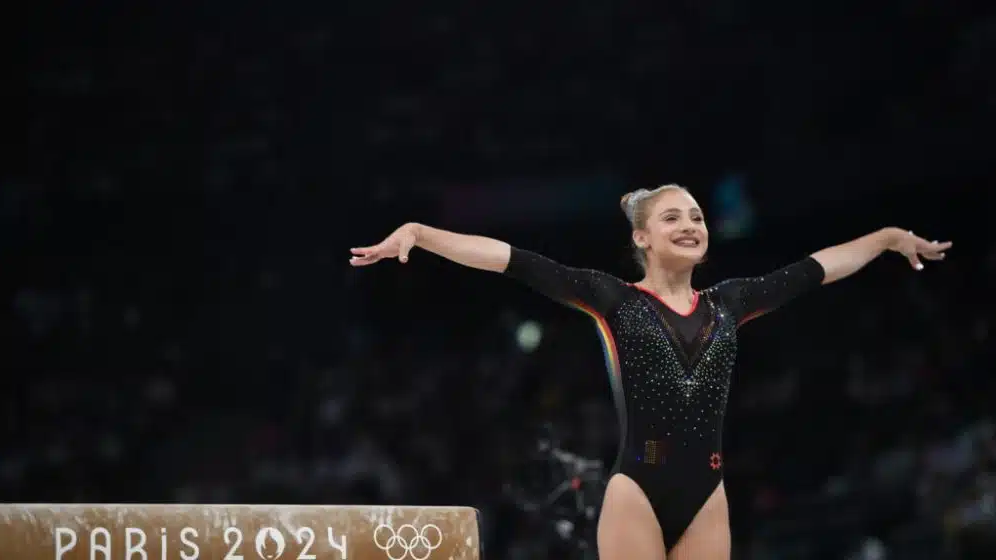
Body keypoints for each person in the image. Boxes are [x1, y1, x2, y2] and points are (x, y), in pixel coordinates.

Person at [350, 185, 952, 560]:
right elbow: (513, 261)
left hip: (707, 494)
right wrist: (421, 234)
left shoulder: (730, 302)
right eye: (672, 218)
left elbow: (817, 268)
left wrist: (885, 238)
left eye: (696, 216)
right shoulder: (614, 299)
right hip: (637, 488)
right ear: (642, 236)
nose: (690, 225)